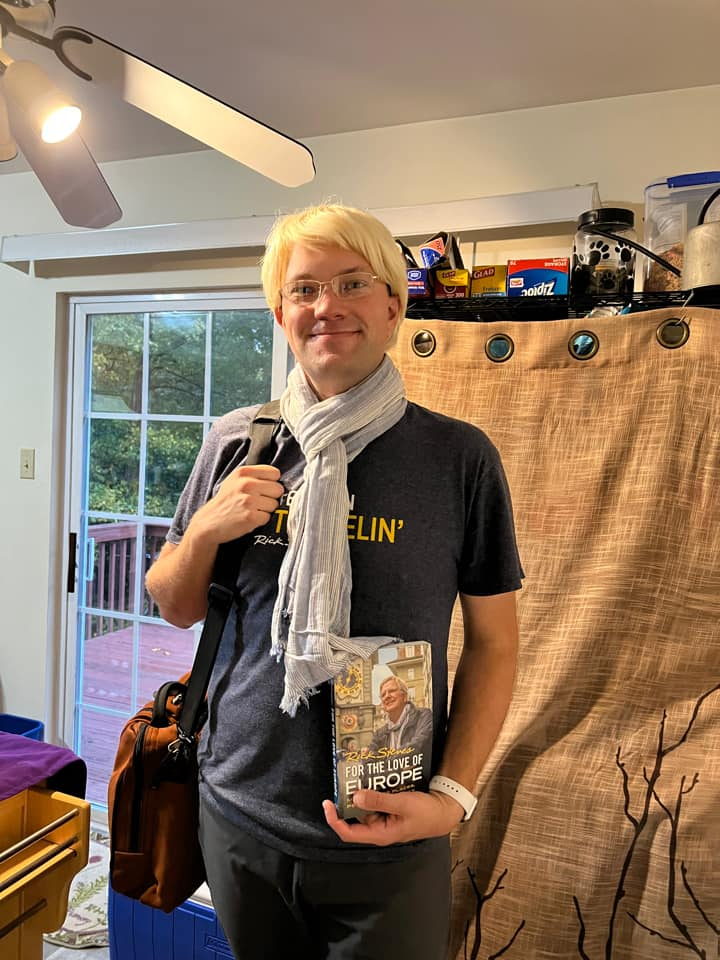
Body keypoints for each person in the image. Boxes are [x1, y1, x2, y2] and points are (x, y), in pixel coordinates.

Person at [145, 203, 523, 960]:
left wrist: (451, 798)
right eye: (305, 288)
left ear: (393, 308)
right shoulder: (237, 442)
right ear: (280, 313)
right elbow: (175, 605)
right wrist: (210, 528)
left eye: (353, 283)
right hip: (239, 811)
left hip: (389, 822)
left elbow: (494, 644)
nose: (328, 306)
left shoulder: (459, 459)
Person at [368, 675, 433, 757]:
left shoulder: (423, 716)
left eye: (392, 691)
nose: (387, 696)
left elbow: (417, 747)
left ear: (404, 696)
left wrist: (386, 761)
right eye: (383, 695)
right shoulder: (379, 734)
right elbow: (368, 760)